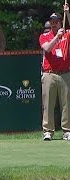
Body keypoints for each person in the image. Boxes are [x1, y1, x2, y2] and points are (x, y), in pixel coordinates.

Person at [39, 9, 70, 140]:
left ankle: (67, 131)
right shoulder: (44, 36)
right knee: (48, 104)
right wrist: (57, 37)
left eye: (56, 22)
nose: (54, 24)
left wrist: (67, 14)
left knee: (66, 104)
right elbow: (47, 48)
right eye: (52, 22)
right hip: (49, 74)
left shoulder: (67, 34)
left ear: (60, 23)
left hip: (65, 73)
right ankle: (48, 131)